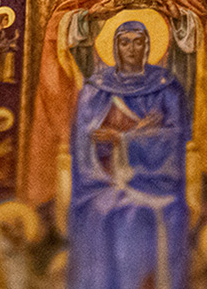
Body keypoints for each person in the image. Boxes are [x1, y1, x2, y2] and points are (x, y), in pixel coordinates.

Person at [24, 0, 207, 206]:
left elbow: (197, 30)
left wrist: (171, 9)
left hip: (158, 87)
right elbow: (60, 27)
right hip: (103, 87)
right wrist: (95, 13)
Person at [67, 21, 192, 289]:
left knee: (144, 212)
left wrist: (125, 139)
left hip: (157, 184)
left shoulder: (167, 88)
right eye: (125, 42)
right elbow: (85, 143)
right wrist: (138, 133)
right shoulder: (96, 90)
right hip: (101, 182)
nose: (132, 49)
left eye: (138, 42)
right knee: (100, 211)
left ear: (148, 46)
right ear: (115, 47)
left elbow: (175, 139)